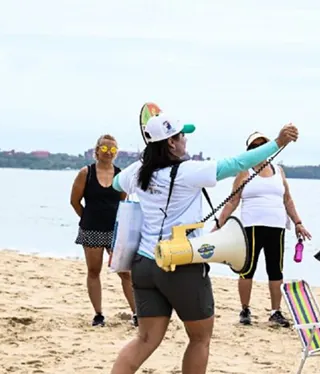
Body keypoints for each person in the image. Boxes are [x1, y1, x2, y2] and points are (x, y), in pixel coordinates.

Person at [109, 114, 298, 374]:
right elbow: (238, 163)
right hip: (181, 263)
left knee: (145, 339)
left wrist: (149, 153)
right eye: (181, 135)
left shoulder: (139, 172)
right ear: (171, 144)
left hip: (144, 263)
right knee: (199, 338)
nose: (185, 139)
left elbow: (116, 182)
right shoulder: (188, 171)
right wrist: (277, 142)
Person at [214, 131, 312, 328]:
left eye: (263, 144)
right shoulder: (245, 171)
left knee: (275, 270)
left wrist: (298, 222)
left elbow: (287, 199)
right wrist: (219, 225)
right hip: (251, 227)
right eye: (255, 146)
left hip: (276, 227)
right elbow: (233, 201)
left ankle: (276, 311)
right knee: (247, 269)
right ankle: (245, 309)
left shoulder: (278, 170)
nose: (259, 148)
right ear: (249, 150)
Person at [70, 134, 137, 327]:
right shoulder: (86, 173)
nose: (109, 153)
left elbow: (124, 203)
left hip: (115, 231)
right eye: (105, 149)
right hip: (91, 229)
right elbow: (74, 201)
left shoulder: (120, 174)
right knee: (94, 271)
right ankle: (98, 314)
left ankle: (136, 313)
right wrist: (87, 219)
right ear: (97, 150)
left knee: (125, 273)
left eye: (113, 150)